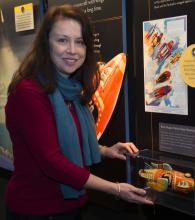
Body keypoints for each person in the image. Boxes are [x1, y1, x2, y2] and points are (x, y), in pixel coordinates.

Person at [5, 4, 153, 220]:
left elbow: (68, 140)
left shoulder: (71, 88)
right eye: (62, 40)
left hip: (72, 205)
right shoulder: (29, 93)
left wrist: (105, 150)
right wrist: (117, 189)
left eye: (80, 42)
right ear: (46, 44)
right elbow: (52, 161)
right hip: (37, 210)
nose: (72, 50)